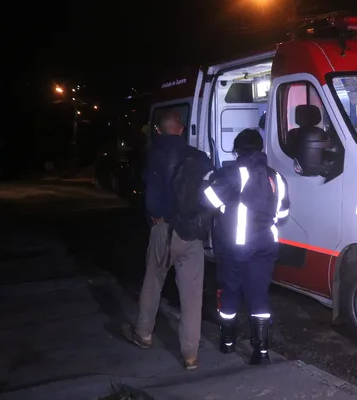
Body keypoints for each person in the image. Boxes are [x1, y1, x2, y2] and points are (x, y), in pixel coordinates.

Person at [124, 110, 213, 370]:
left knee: (153, 282)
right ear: (182, 130)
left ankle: (143, 334)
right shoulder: (199, 157)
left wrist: (155, 217)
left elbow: (151, 198)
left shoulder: (155, 155)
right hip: (191, 234)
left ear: (159, 131)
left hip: (163, 229)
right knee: (192, 296)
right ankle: (190, 355)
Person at [202, 128, 290, 365]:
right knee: (259, 296)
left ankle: (228, 343)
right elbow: (283, 213)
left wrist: (223, 208)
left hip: (234, 247)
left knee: (229, 293)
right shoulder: (276, 177)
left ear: (238, 150)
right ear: (260, 149)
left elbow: (208, 199)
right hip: (265, 247)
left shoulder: (229, 174)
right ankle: (261, 352)